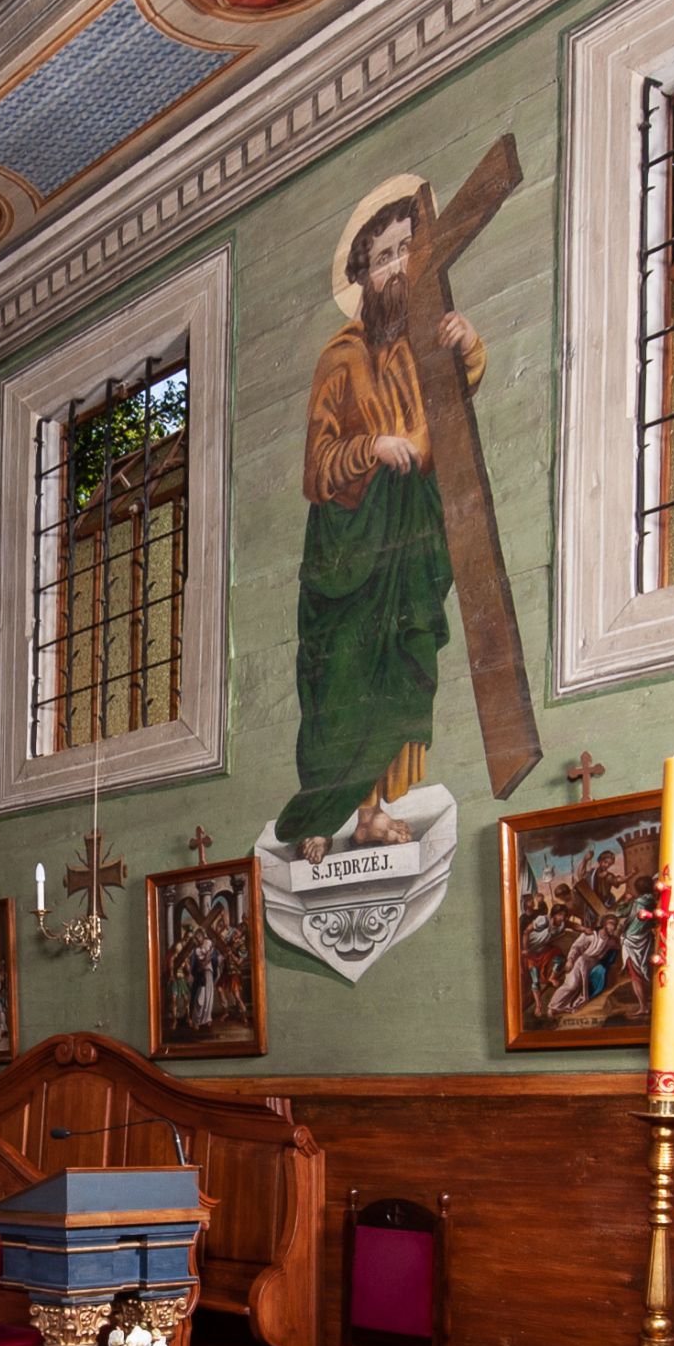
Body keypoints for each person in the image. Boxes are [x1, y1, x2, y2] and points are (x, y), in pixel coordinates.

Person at [275, 184, 485, 861]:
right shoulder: (339, 357)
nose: (396, 267)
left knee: (399, 668)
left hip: (407, 541)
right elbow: (317, 467)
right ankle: (322, 813)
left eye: (405, 252)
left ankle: (371, 814)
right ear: (362, 275)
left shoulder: (422, 343)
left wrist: (467, 348)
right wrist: (372, 447)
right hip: (347, 552)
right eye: (383, 257)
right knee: (338, 687)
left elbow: (448, 408)